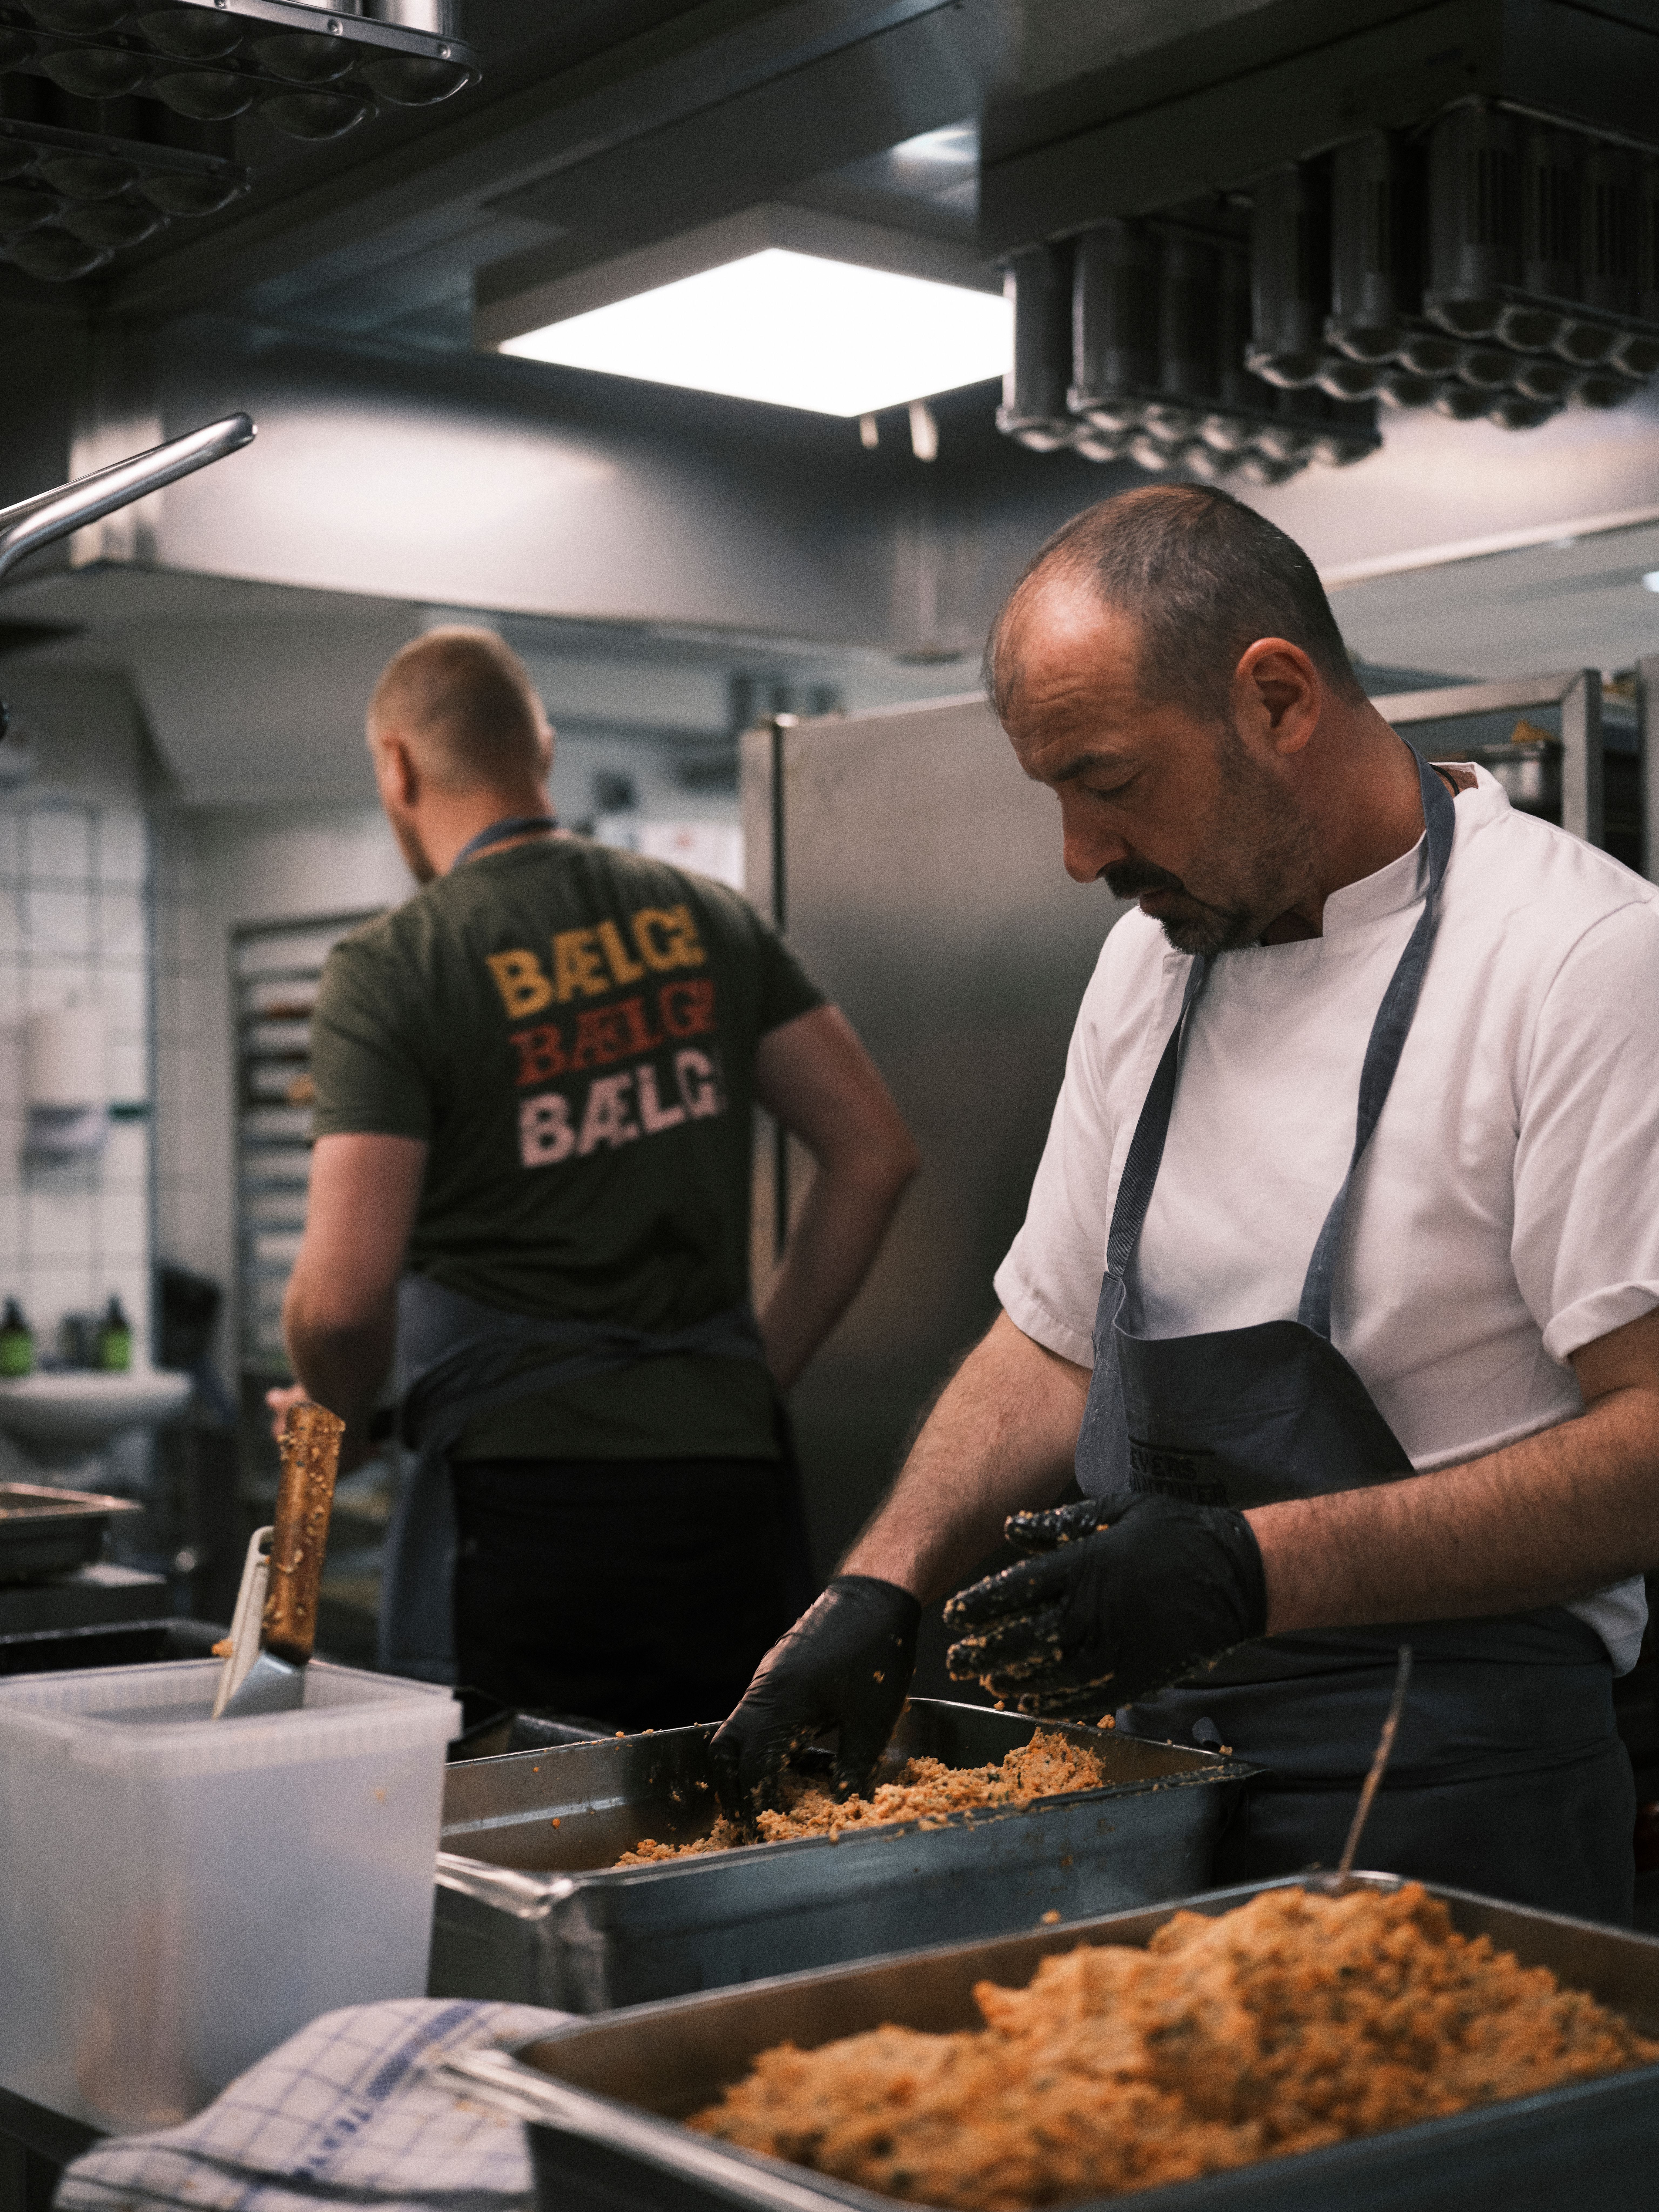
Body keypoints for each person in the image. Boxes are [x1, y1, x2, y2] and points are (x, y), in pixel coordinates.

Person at [713, 485, 1659, 1921]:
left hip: (1458, 1806)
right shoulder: (1156, 964)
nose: (1082, 856)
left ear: (1275, 698)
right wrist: (880, 1587)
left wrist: (1247, 1570)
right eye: (1059, 796)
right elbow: (1049, 1340)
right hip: (1147, 1782)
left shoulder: (1577, 960)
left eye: (1109, 779)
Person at [271, 626, 918, 1728]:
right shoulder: (707, 917)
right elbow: (875, 1151)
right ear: (546, 751)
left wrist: (327, 1438)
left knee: (516, 1846)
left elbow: (338, 1305)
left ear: (396, 765)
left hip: (525, 1507)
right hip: (730, 1487)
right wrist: (752, 1371)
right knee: (734, 1822)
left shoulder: (397, 966)